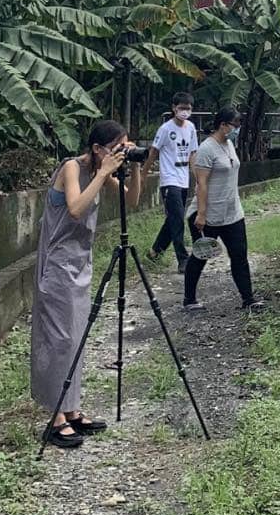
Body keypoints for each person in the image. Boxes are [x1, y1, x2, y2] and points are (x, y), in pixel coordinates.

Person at [31, 118, 144, 450]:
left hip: (79, 264)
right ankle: (55, 418)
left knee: (77, 335)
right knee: (60, 340)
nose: (119, 154)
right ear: (97, 149)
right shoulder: (71, 167)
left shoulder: (103, 171)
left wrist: (137, 166)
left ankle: (71, 408)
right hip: (57, 265)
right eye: (116, 148)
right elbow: (76, 209)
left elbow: (133, 201)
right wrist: (102, 172)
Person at [184, 107, 262, 313]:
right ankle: (189, 299)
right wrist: (201, 214)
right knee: (201, 256)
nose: (237, 129)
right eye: (235, 125)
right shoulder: (206, 149)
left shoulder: (229, 145)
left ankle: (248, 298)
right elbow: (201, 184)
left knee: (239, 256)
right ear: (223, 125)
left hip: (232, 212)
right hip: (208, 215)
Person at [146, 91, 198, 272]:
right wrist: (144, 174)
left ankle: (155, 251)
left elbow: (192, 153)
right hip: (169, 179)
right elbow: (153, 151)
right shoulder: (166, 129)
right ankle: (182, 259)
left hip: (183, 179)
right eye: (182, 108)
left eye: (188, 108)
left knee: (174, 218)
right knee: (177, 219)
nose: (185, 111)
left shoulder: (191, 127)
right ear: (174, 108)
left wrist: (197, 177)